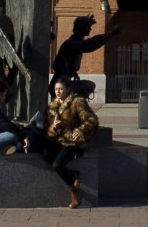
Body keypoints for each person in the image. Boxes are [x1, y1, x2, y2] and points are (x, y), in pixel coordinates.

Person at [36, 78, 100, 209]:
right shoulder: (51, 107)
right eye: (56, 89)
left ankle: (74, 191)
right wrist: (54, 127)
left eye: (61, 89)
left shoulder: (77, 102)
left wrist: (80, 131)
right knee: (45, 154)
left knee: (58, 164)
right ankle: (73, 175)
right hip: (57, 141)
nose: (58, 92)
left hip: (73, 142)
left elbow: (91, 120)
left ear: (68, 89)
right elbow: (47, 131)